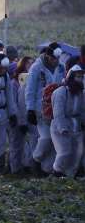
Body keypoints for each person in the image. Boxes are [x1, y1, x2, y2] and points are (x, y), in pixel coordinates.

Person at [27, 42, 65, 175]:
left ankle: (47, 168)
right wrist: (30, 109)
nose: (56, 61)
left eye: (57, 58)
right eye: (53, 58)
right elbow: (30, 89)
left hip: (56, 109)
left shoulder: (61, 67)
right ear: (48, 56)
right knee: (46, 138)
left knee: (55, 141)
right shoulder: (37, 68)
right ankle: (35, 160)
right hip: (40, 109)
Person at [49, 65, 84, 177]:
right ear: (71, 77)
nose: (79, 79)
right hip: (61, 126)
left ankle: (70, 175)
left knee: (78, 152)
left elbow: (82, 110)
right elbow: (58, 113)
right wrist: (62, 128)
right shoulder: (61, 92)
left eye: (81, 77)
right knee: (64, 152)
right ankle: (57, 172)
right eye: (77, 76)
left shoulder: (80, 94)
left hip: (76, 126)